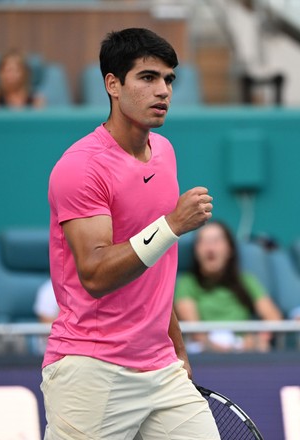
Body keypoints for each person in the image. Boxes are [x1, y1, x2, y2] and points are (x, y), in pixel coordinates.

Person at [41, 28, 220, 440]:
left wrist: (175, 347)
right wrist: (172, 224)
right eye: (148, 77)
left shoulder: (165, 151)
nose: (163, 91)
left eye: (169, 79)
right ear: (113, 85)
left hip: (161, 368)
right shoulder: (81, 168)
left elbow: (156, 273)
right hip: (91, 369)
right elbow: (96, 274)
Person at [174, 221, 283, 353]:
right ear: (196, 251)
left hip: (243, 350)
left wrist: (258, 340)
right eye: (203, 242)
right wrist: (215, 348)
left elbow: (273, 317)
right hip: (205, 352)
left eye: (216, 241)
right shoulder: (187, 283)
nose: (210, 248)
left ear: (230, 249)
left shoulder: (246, 281)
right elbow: (194, 330)